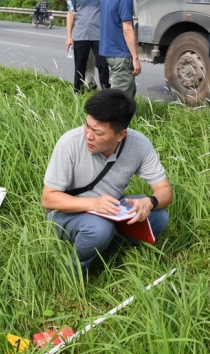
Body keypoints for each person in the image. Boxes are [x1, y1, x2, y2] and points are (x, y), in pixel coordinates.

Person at [42, 89, 173, 276]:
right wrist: (93, 204)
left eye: (97, 132)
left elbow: (165, 191)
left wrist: (149, 202)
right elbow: (48, 199)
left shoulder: (139, 145)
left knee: (159, 218)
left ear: (120, 135)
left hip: (111, 210)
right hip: (67, 213)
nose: (88, 135)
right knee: (99, 229)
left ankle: (108, 250)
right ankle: (74, 268)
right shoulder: (69, 143)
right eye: (87, 125)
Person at [100, 0, 141, 98]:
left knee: (127, 93)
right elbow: (127, 29)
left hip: (109, 51)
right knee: (120, 100)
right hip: (120, 53)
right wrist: (135, 58)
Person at [66, 0, 110, 92]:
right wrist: (69, 36)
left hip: (99, 34)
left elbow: (111, 7)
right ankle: (78, 92)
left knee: (102, 65)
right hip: (81, 34)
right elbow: (71, 13)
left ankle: (107, 93)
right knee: (80, 66)